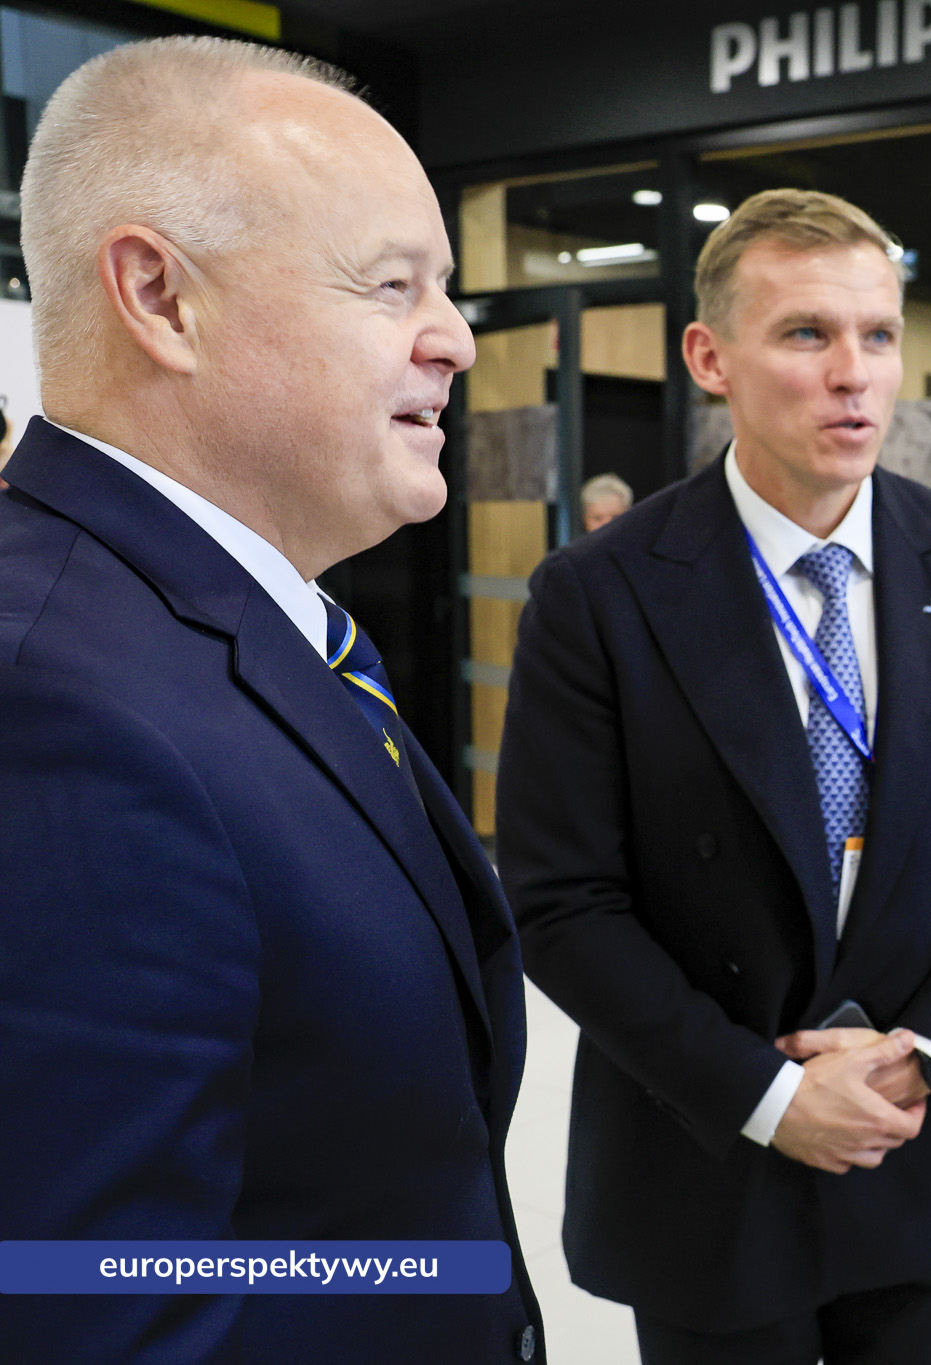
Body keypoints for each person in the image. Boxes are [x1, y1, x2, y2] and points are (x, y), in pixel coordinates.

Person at [0, 37, 541, 1363]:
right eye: (391, 284)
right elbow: (98, 1303)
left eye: (448, 289)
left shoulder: (231, 617)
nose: (456, 340)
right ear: (160, 297)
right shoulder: (60, 712)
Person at [494, 189, 931, 1365]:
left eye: (876, 336)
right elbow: (560, 903)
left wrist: (923, 1050)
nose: (853, 375)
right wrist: (769, 1098)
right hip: (708, 1147)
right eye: (806, 334)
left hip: (916, 1135)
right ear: (709, 357)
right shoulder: (599, 594)